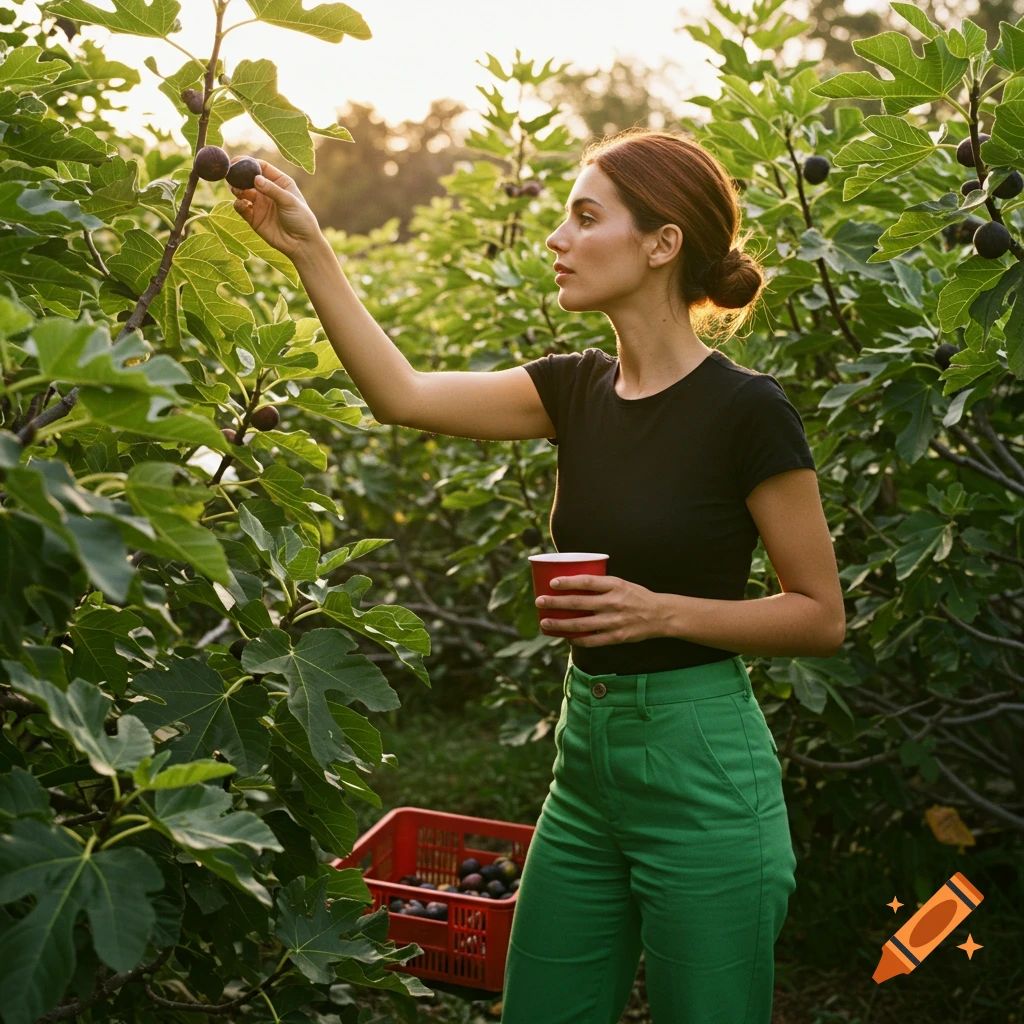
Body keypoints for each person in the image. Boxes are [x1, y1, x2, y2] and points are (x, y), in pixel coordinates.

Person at [229, 127, 846, 1023]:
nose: (556, 238)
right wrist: (308, 248)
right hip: (585, 761)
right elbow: (400, 395)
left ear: (661, 243)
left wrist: (657, 612)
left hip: (704, 764)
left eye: (584, 217)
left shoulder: (745, 411)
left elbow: (819, 616)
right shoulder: (572, 389)